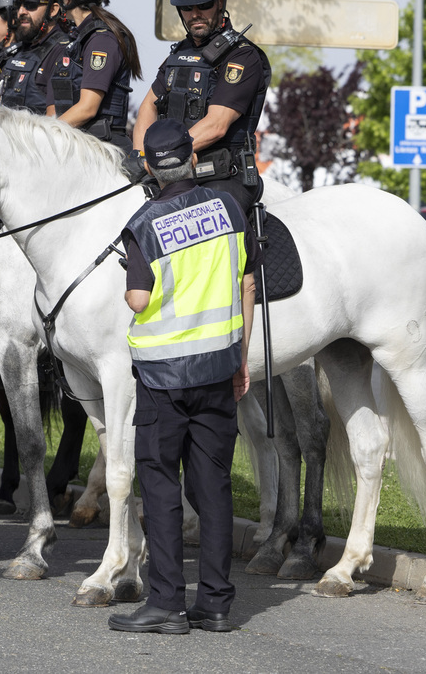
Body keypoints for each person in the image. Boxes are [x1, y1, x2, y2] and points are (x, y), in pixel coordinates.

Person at [108, 118, 257, 635]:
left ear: (149, 166)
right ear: (192, 159)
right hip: (219, 368)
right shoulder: (231, 208)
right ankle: (215, 604)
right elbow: (247, 283)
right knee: (213, 487)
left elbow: (139, 299)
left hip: (163, 378)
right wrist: (240, 357)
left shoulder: (144, 223)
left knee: (161, 487)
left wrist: (128, 277)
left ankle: (165, 603)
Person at [130, 0, 271, 219]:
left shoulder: (241, 57)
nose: (195, 14)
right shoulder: (178, 55)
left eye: (203, 4)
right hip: (170, 172)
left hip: (222, 176)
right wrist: (140, 157)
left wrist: (163, 158)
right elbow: (148, 106)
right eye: (186, 7)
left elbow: (217, 124)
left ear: (220, 1)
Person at [45, 0, 141, 150]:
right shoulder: (78, 39)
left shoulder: (101, 40)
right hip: (79, 144)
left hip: (102, 150)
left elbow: (87, 108)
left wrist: (45, 137)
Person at [0, 0, 71, 114]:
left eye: (31, 5)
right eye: (18, 5)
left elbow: (57, 122)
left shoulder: (63, 52)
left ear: (53, 9)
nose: (21, 11)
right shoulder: (16, 51)